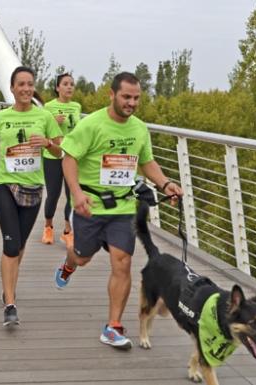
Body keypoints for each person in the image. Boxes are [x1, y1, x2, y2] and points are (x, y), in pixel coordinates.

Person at [53, 72, 183, 350]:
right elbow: (69, 158)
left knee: (122, 262)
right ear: (111, 95)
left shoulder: (139, 129)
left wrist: (165, 183)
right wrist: (77, 194)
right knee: (83, 257)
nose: (132, 103)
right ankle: (69, 264)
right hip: (90, 206)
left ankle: (113, 326)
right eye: (126, 97)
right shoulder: (92, 125)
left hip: (123, 206)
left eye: (136, 98)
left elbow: (146, 162)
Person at [0, 66, 62, 326]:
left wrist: (48, 144)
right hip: (4, 185)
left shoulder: (44, 116)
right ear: (11, 88)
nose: (25, 89)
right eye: (20, 84)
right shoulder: (0, 118)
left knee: (20, 246)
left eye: (30, 84)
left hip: (33, 189)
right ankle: (10, 303)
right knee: (11, 245)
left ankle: (8, 287)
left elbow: (61, 152)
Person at [40, 73, 81, 248]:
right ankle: (48, 227)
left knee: (71, 194)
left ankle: (67, 231)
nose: (69, 87)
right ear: (57, 88)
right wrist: (53, 123)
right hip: (53, 156)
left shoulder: (77, 106)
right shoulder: (48, 107)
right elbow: (40, 129)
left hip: (71, 155)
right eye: (65, 84)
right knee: (53, 194)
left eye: (72, 84)